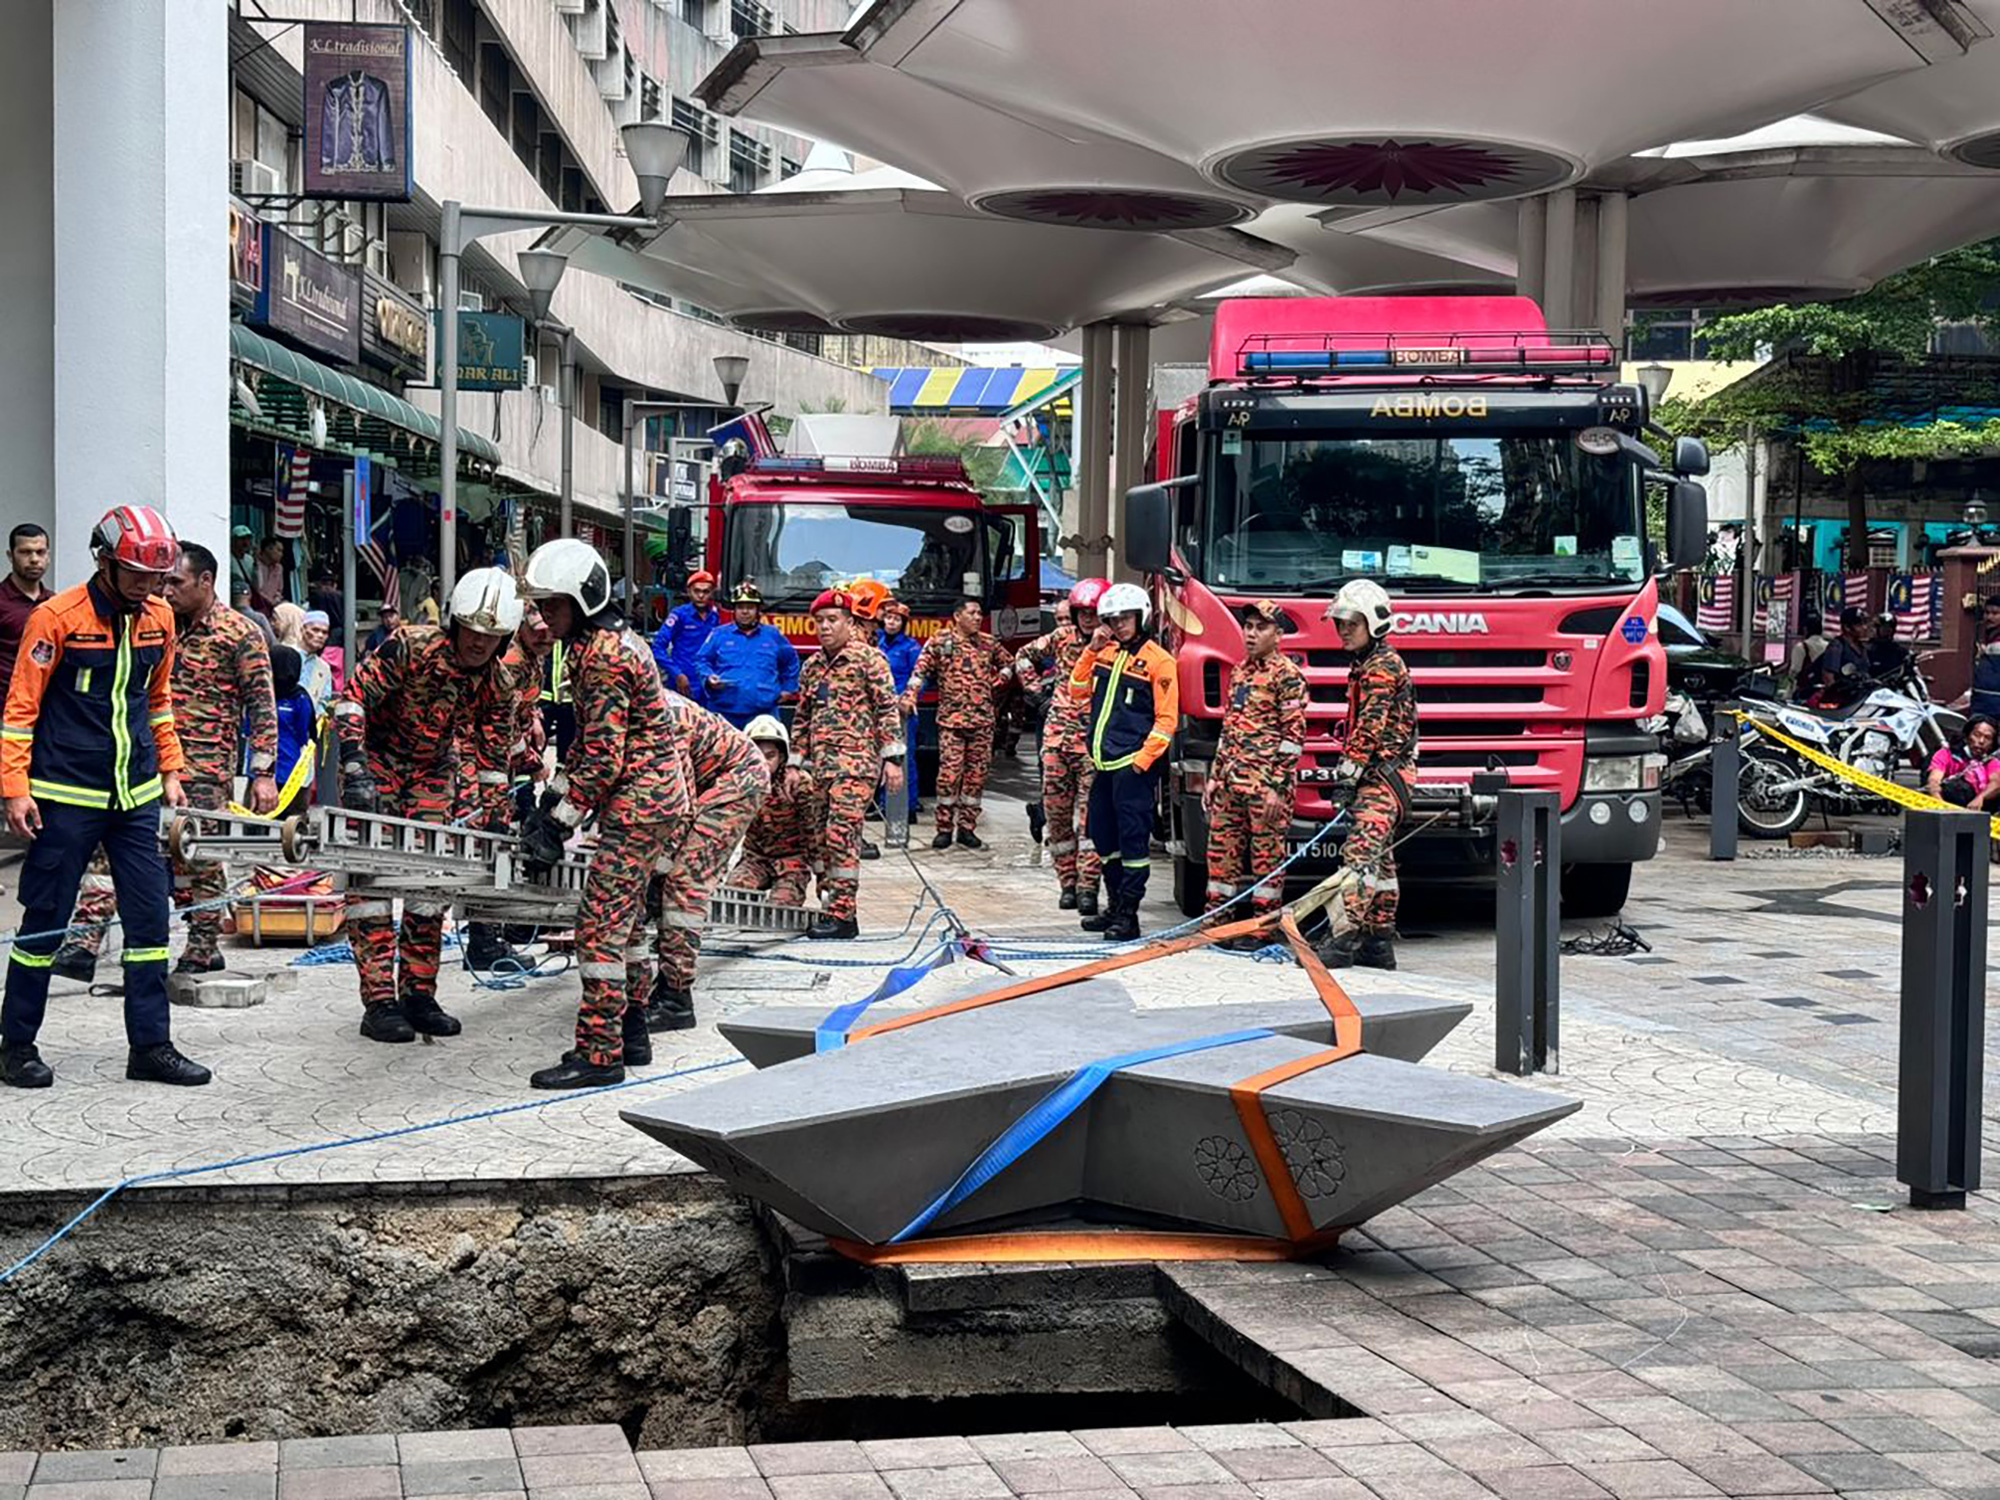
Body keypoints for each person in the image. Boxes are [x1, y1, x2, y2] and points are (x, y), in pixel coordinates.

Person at [1, 506, 210, 1089]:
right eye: (137, 575)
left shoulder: (160, 618)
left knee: (149, 922)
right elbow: (20, 711)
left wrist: (171, 767)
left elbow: (158, 698)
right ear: (105, 562)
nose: (149, 586)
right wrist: (14, 789)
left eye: (157, 577)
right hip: (65, 794)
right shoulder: (55, 619)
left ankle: (151, 1046)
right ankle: (16, 1044)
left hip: (136, 795)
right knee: (45, 922)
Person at [58, 543, 282, 978]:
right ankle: (84, 941)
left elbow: (262, 705)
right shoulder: (153, 623)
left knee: (196, 855)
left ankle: (202, 945)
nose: (166, 590)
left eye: (176, 582)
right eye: (163, 582)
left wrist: (263, 772)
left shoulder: (240, 633)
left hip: (204, 768)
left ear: (206, 582)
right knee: (111, 847)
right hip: (141, 759)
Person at [517, 538, 691, 1088]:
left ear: (583, 599)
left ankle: (599, 1054)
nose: (544, 618)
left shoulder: (604, 656)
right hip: (653, 799)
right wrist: (553, 801)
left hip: (639, 805)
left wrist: (556, 824)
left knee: (599, 931)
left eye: (552, 605)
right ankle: (633, 1030)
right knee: (629, 922)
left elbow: (601, 756)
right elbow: (589, 745)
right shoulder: (608, 643)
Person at [334, 567, 521, 1044]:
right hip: (374, 757)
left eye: (492, 636)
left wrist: (499, 819)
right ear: (456, 623)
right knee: (370, 880)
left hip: (432, 770)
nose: (479, 644)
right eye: (473, 632)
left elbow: (493, 759)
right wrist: (355, 768)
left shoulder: (499, 686)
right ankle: (378, 1001)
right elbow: (353, 699)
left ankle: (418, 992)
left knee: (429, 882)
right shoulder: (410, 647)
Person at [643, 692, 770, 1031]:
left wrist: (660, 867)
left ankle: (676, 999)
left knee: (684, 883)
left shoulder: (667, 718)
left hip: (739, 781)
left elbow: (678, 805)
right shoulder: (625, 709)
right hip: (709, 784)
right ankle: (664, 983)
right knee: (665, 875)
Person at [792, 589, 906, 940]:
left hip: (856, 764)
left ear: (849, 623)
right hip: (820, 768)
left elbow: (887, 710)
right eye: (819, 621)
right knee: (819, 838)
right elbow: (802, 716)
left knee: (841, 835)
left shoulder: (869, 660)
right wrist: (795, 764)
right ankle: (830, 902)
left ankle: (844, 916)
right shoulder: (812, 667)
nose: (825, 628)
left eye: (832, 620)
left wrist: (893, 760)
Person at [1316, 580, 1417, 971]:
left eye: (1350, 623)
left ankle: (1340, 941)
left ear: (1373, 623)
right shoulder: (1368, 665)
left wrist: (1347, 777)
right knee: (1383, 863)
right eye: (1339, 623)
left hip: (1382, 778)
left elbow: (1370, 728)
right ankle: (1378, 942)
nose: (1343, 630)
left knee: (1358, 858)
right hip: (1384, 776)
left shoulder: (1380, 668)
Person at [1070, 582, 1178, 942]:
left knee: (1133, 844)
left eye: (1125, 619)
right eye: (1113, 620)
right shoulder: (1106, 653)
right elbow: (1076, 690)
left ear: (1142, 616)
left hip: (1133, 767)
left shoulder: (1160, 661)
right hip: (1103, 765)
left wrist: (1142, 762)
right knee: (1103, 836)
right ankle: (1114, 905)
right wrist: (1091, 650)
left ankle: (1129, 915)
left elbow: (1167, 721)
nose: (1119, 626)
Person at [1205, 600, 1308, 947]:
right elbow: (1229, 728)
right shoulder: (1239, 671)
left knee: (1266, 861)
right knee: (1220, 857)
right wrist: (1215, 775)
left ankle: (1263, 929)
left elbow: (1293, 738)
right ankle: (1218, 924)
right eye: (1248, 626)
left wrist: (1277, 787)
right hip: (1231, 784)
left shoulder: (1287, 676)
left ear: (1278, 634)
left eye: (1260, 627)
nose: (1251, 633)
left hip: (1265, 787)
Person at [1017, 579, 1107, 913]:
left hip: (1091, 747)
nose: (1086, 619)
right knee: (1056, 819)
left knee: (1090, 823)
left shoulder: (1114, 646)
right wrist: (1036, 693)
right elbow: (1023, 656)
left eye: (1092, 613)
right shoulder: (1061, 638)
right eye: (1081, 613)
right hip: (1057, 743)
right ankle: (1067, 883)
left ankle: (1088, 888)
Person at [905, 597, 1014, 850]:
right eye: (972, 613)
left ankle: (967, 828)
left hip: (982, 723)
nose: (978, 618)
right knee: (948, 777)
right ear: (957, 616)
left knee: (976, 778)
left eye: (979, 614)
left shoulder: (988, 643)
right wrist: (910, 696)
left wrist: (996, 683)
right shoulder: (941, 642)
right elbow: (920, 672)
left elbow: (1010, 663)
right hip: (951, 723)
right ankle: (944, 828)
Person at [727, 715, 811, 906]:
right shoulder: (739, 783)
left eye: (770, 755)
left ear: (782, 757)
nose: (764, 762)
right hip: (755, 858)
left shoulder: (799, 784)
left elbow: (814, 831)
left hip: (792, 860)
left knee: (781, 908)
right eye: (758, 754)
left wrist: (823, 874)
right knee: (734, 895)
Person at [694, 581, 799, 728]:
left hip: (764, 713)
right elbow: (701, 660)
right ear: (734, 610)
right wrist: (708, 677)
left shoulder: (773, 635)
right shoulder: (719, 634)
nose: (745, 612)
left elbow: (791, 662)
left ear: (758, 610)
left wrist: (788, 688)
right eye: (740, 607)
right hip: (724, 713)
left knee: (764, 751)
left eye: (750, 607)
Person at [874, 598, 923, 821]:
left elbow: (921, 677)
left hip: (902, 712)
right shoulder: (877, 643)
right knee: (880, 758)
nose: (892, 622)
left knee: (904, 758)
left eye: (897, 619)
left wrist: (909, 698)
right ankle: (883, 805)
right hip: (879, 709)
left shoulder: (911, 647)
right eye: (889, 618)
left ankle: (909, 807)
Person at [651, 570, 721, 704]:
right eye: (697, 591)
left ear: (712, 593)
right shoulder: (679, 615)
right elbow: (658, 647)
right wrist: (676, 673)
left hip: (708, 684)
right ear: (689, 592)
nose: (701, 595)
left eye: (706, 591)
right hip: (683, 684)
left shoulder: (716, 617)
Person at [267, 644, 319, 817]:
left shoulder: (300, 698)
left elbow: (304, 733)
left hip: (289, 770)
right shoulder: (262, 696)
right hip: (262, 768)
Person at [0, 523, 52, 694]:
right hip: (5, 710)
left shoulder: (55, 603)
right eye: (25, 552)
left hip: (46, 708)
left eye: (40, 552)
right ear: (10, 556)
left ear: (48, 556)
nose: (34, 559)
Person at [1802, 607, 1875, 708]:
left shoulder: (1862, 648)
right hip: (1841, 705)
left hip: (1860, 701)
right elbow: (1828, 678)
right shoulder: (1837, 646)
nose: (1865, 628)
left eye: (1865, 623)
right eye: (1859, 624)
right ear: (1847, 627)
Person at [1927, 714, 2000, 808]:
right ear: (1966, 736)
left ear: (1992, 744)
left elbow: (1996, 783)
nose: (1981, 741)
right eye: (1977, 735)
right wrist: (1938, 801)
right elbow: (1934, 779)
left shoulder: (1990, 761)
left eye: (1987, 738)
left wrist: (1980, 798)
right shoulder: (1946, 754)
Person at [299, 609, 337, 709]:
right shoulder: (287, 656)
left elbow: (324, 700)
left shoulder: (324, 667)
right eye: (315, 630)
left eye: (324, 632)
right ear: (303, 629)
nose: (320, 635)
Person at [1972, 594, 2000, 722]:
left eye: (1995, 613)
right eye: (1987, 613)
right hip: (1982, 701)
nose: (1989, 617)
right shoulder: (1987, 636)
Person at [1784, 611, 1828, 684]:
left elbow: (1794, 671)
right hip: (1825, 688)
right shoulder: (1829, 647)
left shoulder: (1801, 647)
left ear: (1805, 629)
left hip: (1805, 689)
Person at [1868, 610, 1910, 680]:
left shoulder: (1900, 651)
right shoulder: (1867, 650)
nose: (1887, 630)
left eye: (1889, 627)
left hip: (1896, 686)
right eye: (1883, 627)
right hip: (1873, 687)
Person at [254, 537, 287, 615]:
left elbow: (279, 590)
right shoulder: (256, 565)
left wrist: (276, 600)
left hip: (274, 607)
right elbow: (257, 589)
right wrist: (270, 601)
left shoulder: (279, 568)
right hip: (258, 607)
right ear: (268, 549)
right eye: (278, 550)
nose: (281, 554)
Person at [228, 525, 258, 609]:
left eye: (248, 539)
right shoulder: (228, 559)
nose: (245, 542)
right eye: (242, 539)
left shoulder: (249, 559)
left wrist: (256, 563)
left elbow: (256, 584)